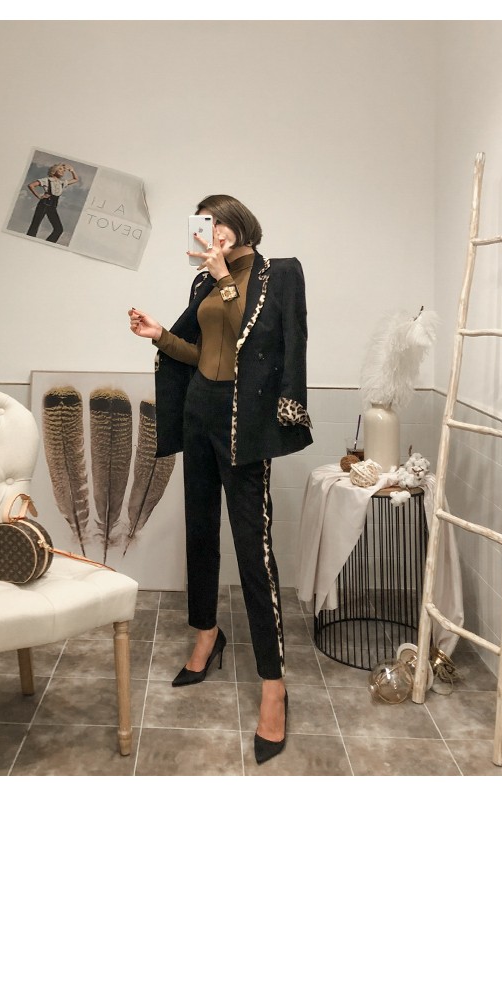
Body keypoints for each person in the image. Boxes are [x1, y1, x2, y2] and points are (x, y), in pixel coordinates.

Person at [128, 194, 312, 763]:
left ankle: (274, 685)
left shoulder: (279, 275)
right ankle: (207, 633)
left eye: (221, 222)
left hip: (243, 421)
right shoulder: (202, 281)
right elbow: (202, 351)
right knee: (200, 531)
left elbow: (259, 345)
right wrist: (161, 335)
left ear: (240, 224)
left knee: (254, 550)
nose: (215, 233)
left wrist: (224, 279)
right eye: (206, 225)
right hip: (200, 411)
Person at [27, 162, 78, 243]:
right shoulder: (46, 180)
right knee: (34, 227)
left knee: (59, 229)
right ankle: (28, 243)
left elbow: (75, 179)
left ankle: (47, 245)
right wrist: (39, 196)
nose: (63, 171)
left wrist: (72, 170)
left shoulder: (62, 183)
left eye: (63, 170)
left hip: (53, 207)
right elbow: (31, 185)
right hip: (43, 204)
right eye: (60, 169)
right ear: (54, 171)